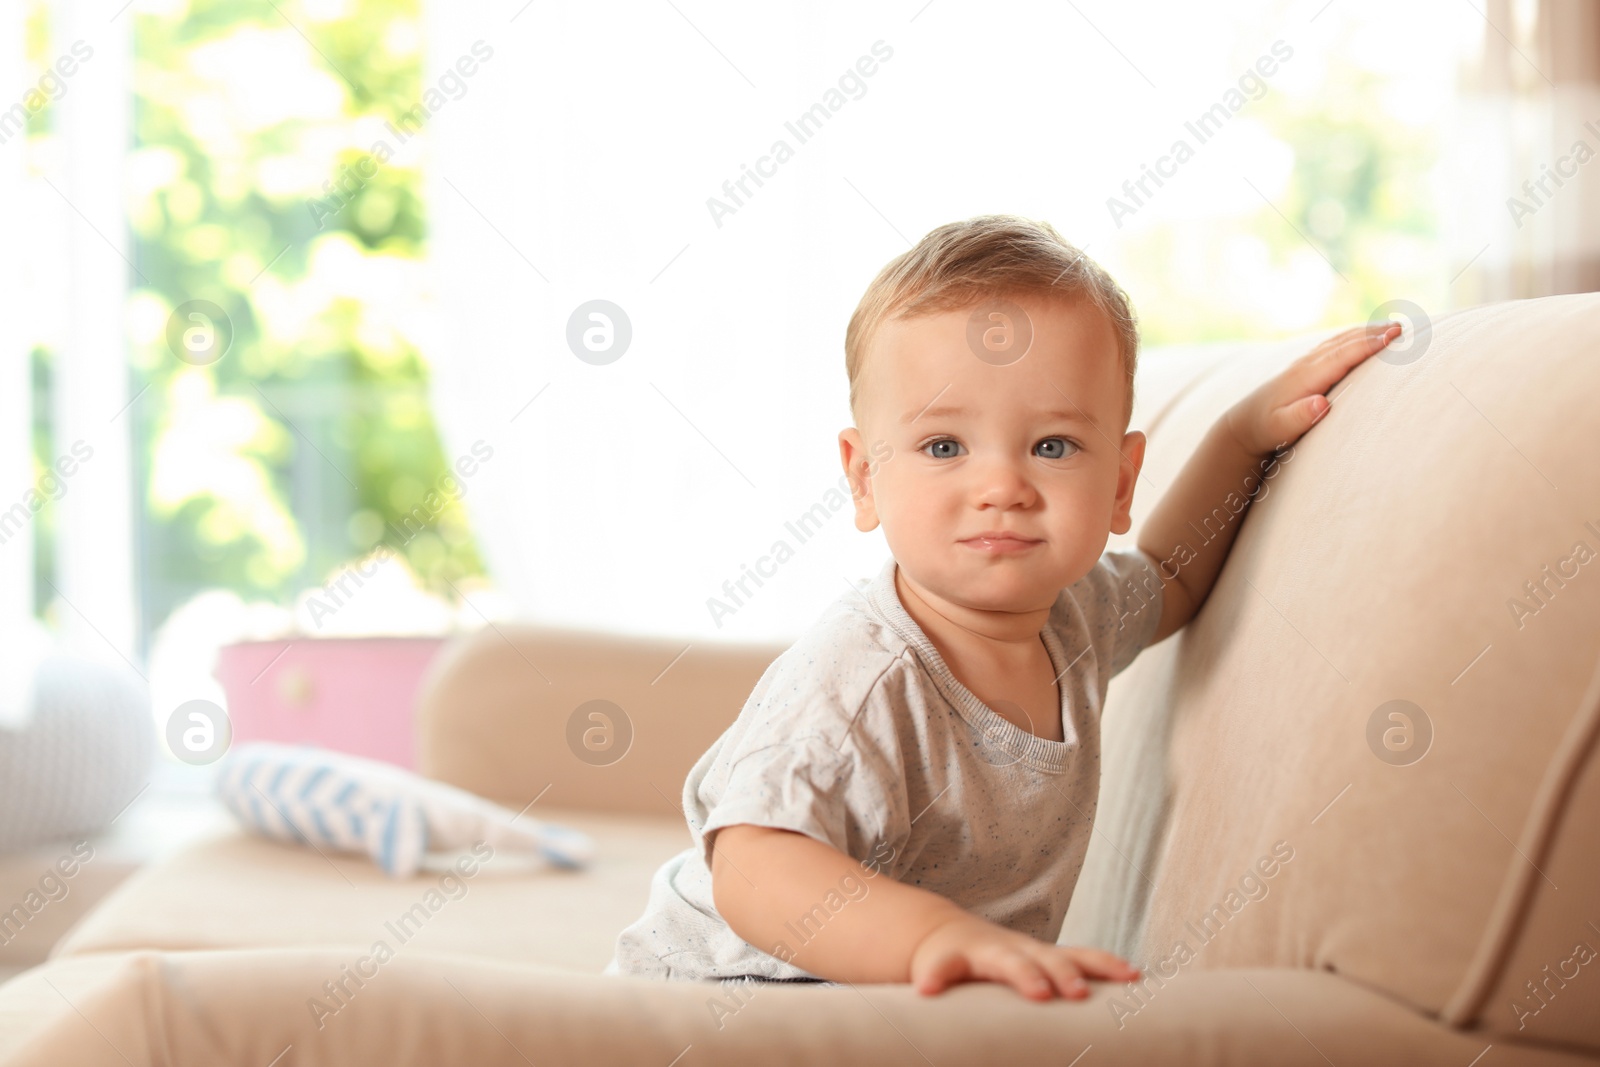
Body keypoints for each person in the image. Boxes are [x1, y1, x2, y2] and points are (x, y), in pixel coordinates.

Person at [606, 214, 1399, 1000]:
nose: (1003, 488)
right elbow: (754, 868)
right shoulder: (862, 676)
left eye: (1052, 446)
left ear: (1121, 482)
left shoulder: (1077, 615)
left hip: (906, 1011)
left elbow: (1173, 577)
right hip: (722, 1000)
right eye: (944, 446)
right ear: (864, 478)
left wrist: (1240, 436)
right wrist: (940, 937)